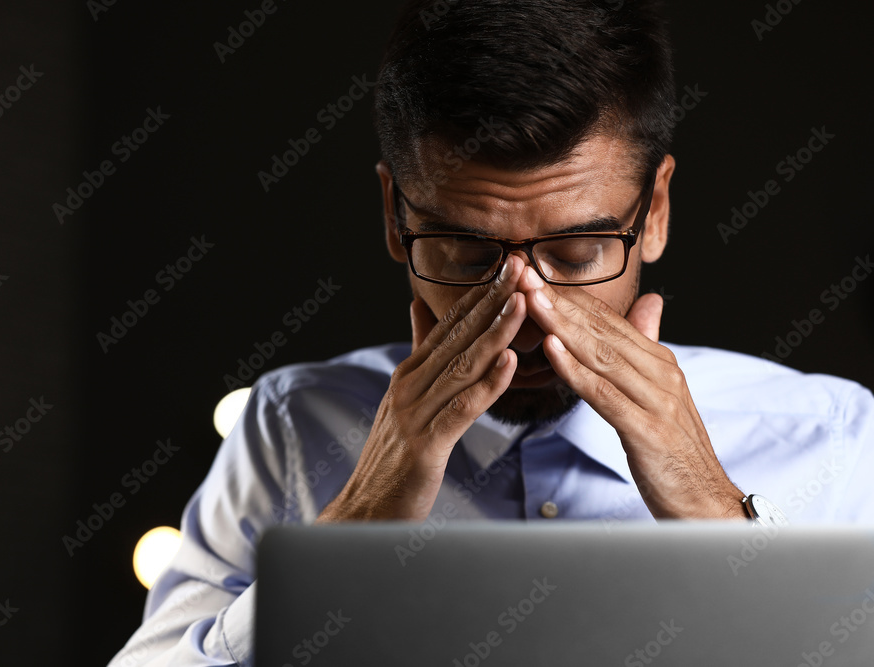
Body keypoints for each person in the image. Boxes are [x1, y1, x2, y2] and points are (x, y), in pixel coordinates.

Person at [109, 0, 874, 664]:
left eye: (578, 253)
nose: (526, 310)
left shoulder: (836, 439)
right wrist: (343, 542)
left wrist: (718, 521)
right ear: (394, 217)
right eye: (467, 254)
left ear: (657, 211)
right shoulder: (290, 429)